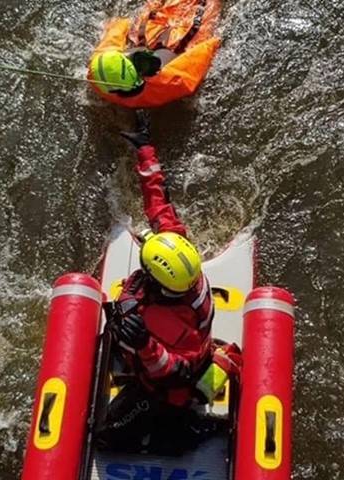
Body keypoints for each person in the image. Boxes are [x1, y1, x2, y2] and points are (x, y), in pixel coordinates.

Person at [96, 110, 242, 455]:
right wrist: (145, 149)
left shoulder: (173, 325)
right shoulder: (178, 256)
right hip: (170, 353)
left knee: (108, 439)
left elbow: (175, 371)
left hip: (170, 387)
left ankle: (189, 427)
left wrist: (145, 345)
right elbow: (158, 203)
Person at [87, 0, 223, 108]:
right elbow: (209, 46)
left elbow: (119, 26)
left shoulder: (99, 71)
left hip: (148, 35)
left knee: (150, 16)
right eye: (137, 60)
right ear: (139, 79)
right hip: (177, 43)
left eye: (125, 54)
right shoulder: (173, 81)